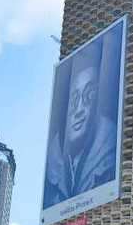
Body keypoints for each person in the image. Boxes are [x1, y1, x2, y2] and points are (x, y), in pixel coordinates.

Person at [44, 56, 116, 207]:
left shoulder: (109, 153)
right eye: (74, 100)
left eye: (88, 96)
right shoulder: (54, 160)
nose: (79, 111)